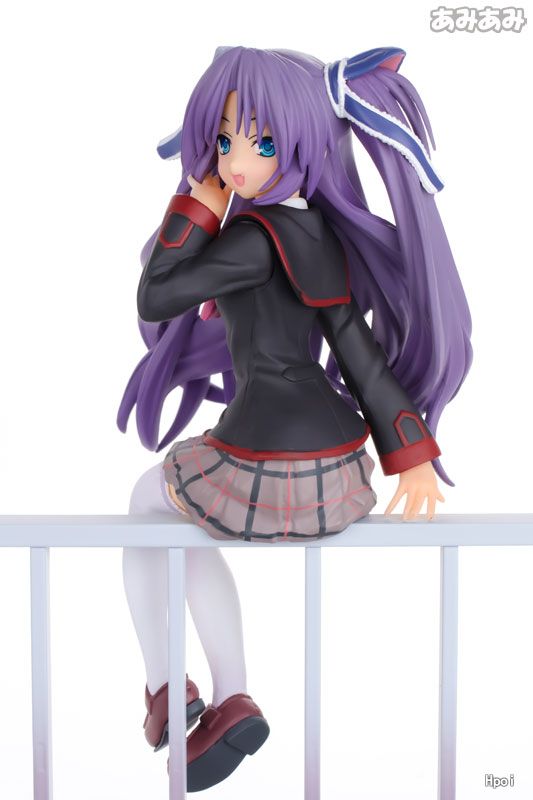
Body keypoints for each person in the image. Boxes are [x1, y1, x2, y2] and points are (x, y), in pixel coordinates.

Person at [117, 45, 472, 792]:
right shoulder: (320, 238)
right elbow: (358, 351)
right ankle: (215, 698)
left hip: (262, 459)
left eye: (262, 141)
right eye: (224, 141)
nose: (236, 161)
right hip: (336, 467)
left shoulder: (251, 239)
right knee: (176, 530)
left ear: (306, 142)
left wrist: (197, 207)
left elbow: (156, 294)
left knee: (150, 508)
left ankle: (173, 688)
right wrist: (408, 452)